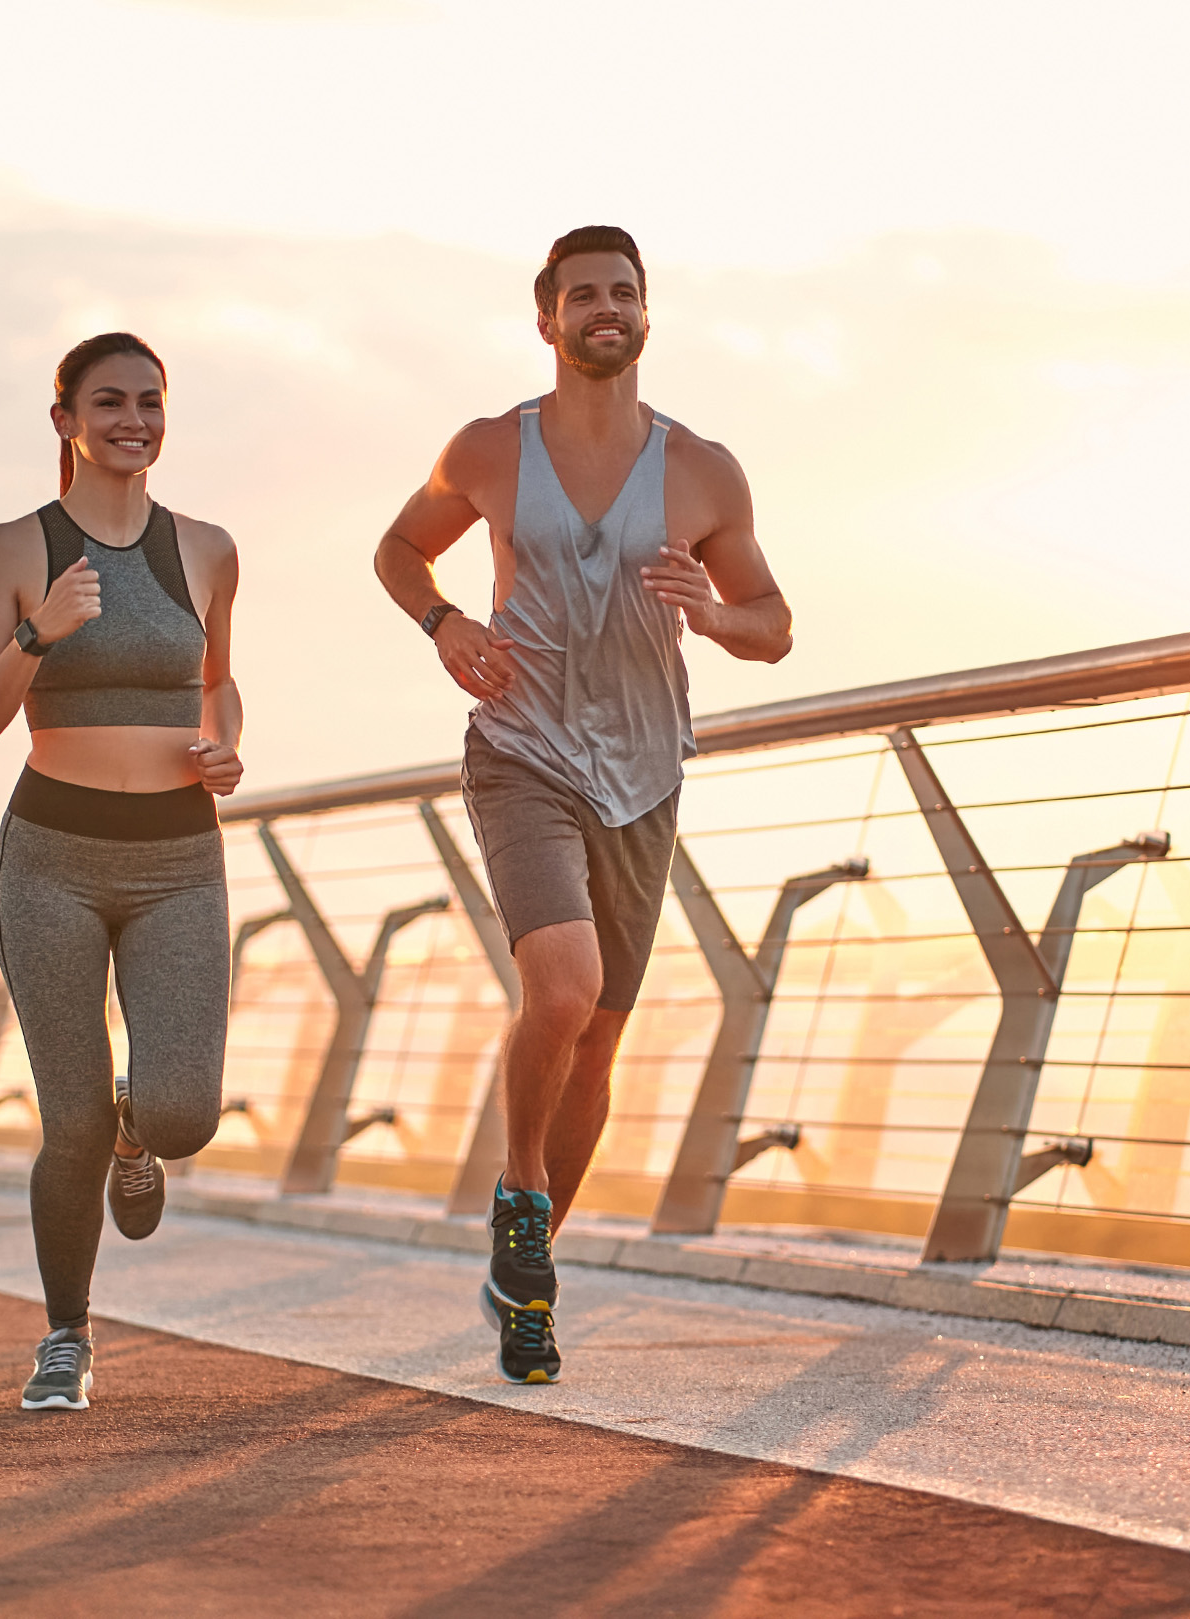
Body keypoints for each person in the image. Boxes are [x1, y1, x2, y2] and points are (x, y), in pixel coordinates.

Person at [375, 226, 794, 1383]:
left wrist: (711, 613)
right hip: (522, 754)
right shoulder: (487, 448)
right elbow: (400, 548)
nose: (605, 307)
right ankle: (520, 1191)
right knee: (562, 987)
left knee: (600, 1033)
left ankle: (529, 1280)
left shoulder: (703, 470)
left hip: (643, 778)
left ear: (646, 314)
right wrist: (445, 623)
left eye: (624, 292)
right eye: (583, 294)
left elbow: (773, 624)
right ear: (547, 318)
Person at [0, 332, 243, 1410]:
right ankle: (66, 1334)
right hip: (53, 860)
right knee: (67, 1122)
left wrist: (225, 747)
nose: (134, 419)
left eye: (150, 401)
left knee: (183, 1114)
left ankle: (140, 1126)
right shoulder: (15, 546)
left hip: (179, 860)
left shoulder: (207, 548)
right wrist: (38, 634)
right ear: (65, 420)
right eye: (110, 401)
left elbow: (220, 681)